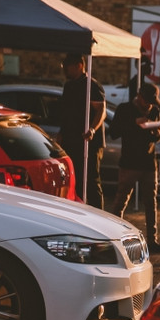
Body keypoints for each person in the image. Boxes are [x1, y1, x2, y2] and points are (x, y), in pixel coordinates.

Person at [108, 82, 160, 254]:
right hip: (129, 162)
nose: (150, 105)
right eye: (147, 101)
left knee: (151, 203)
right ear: (140, 96)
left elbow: (157, 136)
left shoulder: (154, 111)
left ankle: (152, 240)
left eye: (153, 102)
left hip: (149, 162)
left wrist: (156, 132)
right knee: (121, 200)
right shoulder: (125, 109)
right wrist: (134, 123)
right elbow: (113, 132)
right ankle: (111, 238)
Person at [59, 52, 106, 207]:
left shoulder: (91, 85)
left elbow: (101, 110)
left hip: (88, 142)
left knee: (91, 181)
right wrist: (61, 133)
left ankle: (100, 215)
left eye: (67, 67)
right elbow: (66, 113)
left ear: (79, 66)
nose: (65, 70)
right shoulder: (69, 86)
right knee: (74, 179)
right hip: (71, 140)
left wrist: (92, 129)